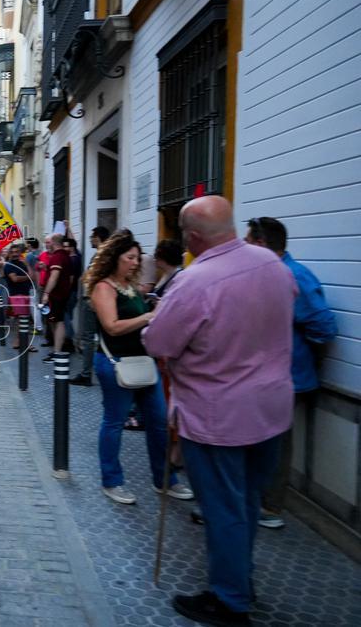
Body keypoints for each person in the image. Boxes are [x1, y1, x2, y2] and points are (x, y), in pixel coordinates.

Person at [143, 196, 297, 626]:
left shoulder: (196, 281)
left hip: (218, 415)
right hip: (272, 408)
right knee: (246, 501)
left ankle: (230, 600)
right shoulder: (274, 265)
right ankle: (240, 581)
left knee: (224, 510)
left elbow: (159, 343)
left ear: (191, 238)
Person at [85, 230, 193, 506]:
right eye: (130, 257)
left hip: (144, 363)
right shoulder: (103, 287)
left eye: (137, 257)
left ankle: (165, 480)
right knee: (114, 422)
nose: (136, 262)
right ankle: (112, 481)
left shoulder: (130, 287)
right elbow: (112, 326)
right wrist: (148, 316)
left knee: (158, 422)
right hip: (117, 364)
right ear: (115, 258)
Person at [245, 216, 337, 529]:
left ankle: (270, 508)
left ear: (261, 244)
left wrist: (294, 350)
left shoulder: (294, 276)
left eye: (248, 242)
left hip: (287, 378)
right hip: (267, 376)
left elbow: (324, 327)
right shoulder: (271, 275)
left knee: (275, 443)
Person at [70, 226, 110, 385]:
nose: (90, 240)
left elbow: (87, 278)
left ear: (98, 237)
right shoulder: (107, 256)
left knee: (88, 338)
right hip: (101, 300)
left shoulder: (101, 256)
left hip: (92, 300)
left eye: (92, 237)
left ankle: (86, 374)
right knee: (102, 337)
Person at [40, 234, 73, 364]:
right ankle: (56, 350)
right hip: (62, 294)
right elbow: (70, 278)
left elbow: (54, 276)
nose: (47, 245)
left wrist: (46, 293)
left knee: (57, 321)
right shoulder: (65, 256)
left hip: (56, 295)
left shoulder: (57, 256)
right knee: (54, 321)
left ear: (53, 243)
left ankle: (57, 352)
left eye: (49, 243)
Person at [3, 242, 33, 351]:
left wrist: (27, 264)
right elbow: (14, 279)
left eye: (17, 252)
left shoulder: (22, 263)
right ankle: (25, 344)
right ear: (10, 254)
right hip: (17, 295)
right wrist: (27, 277)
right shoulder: (9, 265)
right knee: (23, 319)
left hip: (24, 294)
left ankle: (17, 342)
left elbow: (32, 275)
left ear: (20, 252)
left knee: (20, 319)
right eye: (12, 252)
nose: (15, 254)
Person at [64, 237, 83, 350]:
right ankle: (69, 340)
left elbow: (70, 279)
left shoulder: (72, 260)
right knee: (69, 316)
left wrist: (65, 292)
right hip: (73, 292)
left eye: (66, 246)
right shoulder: (77, 257)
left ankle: (70, 339)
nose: (65, 248)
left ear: (71, 248)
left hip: (70, 292)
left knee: (66, 315)